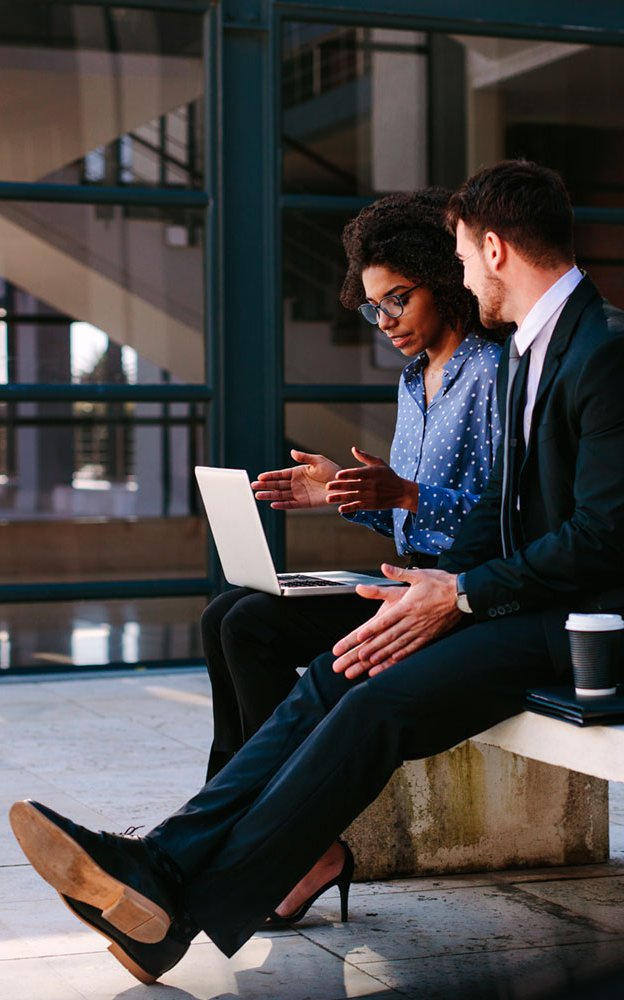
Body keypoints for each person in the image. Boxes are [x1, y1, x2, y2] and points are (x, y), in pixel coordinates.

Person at [8, 160, 624, 985]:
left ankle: (176, 904)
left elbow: (606, 538)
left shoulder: (608, 355)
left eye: (457, 257)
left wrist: (457, 590)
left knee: (372, 698)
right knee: (333, 672)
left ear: (491, 249)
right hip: (533, 599)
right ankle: (164, 869)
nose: (456, 274)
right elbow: (524, 522)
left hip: (611, 631)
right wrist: (416, 565)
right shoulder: (545, 349)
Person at [203, 187, 502, 783]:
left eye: (398, 299)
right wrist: (341, 489)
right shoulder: (413, 380)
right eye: (373, 308)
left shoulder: (492, 374)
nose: (385, 321)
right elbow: (400, 501)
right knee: (221, 615)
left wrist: (406, 495)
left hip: (457, 598)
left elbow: (509, 516)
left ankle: (268, 801)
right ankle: (224, 793)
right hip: (403, 579)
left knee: (249, 626)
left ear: (443, 278)